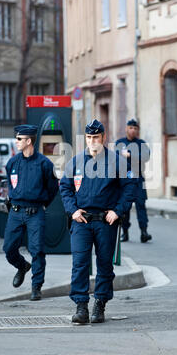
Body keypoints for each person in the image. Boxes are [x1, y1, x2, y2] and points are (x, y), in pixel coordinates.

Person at [59, 119, 135, 324]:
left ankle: (99, 304)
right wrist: (72, 211)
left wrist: (117, 211)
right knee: (80, 264)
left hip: (105, 222)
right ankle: (81, 306)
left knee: (104, 265)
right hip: (81, 221)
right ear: (86, 138)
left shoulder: (117, 162)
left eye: (96, 137)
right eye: (89, 137)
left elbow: (130, 189)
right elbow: (65, 188)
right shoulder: (75, 162)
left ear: (103, 138)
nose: (92, 141)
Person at [3, 124, 59, 300]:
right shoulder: (12, 162)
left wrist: (43, 205)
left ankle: (36, 286)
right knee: (8, 249)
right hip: (16, 211)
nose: (16, 141)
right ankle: (22, 266)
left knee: (37, 250)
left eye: (19, 139)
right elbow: (10, 185)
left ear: (29, 141)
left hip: (35, 212)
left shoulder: (44, 164)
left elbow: (53, 188)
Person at [115, 118, 152, 243]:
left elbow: (146, 157)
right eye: (131, 128)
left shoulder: (141, 143)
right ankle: (125, 232)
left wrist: (131, 155)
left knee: (141, 206)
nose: (133, 130)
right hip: (124, 180)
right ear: (126, 129)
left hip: (138, 179)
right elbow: (115, 158)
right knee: (125, 207)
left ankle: (144, 232)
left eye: (135, 128)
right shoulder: (120, 143)